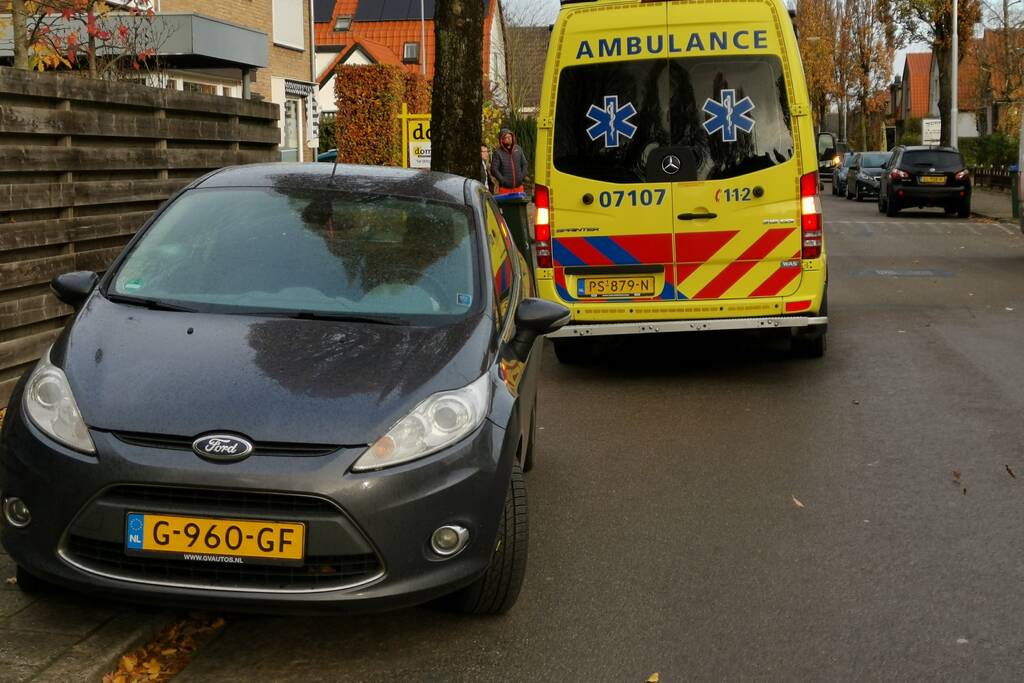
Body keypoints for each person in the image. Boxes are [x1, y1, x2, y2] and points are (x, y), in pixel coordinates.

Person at [490, 128, 528, 195]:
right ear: (502, 140)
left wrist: (522, 177)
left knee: (520, 202)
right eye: (506, 137)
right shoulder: (498, 153)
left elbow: (524, 164)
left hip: (519, 188)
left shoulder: (518, 149)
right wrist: (503, 180)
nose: (509, 139)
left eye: (510, 136)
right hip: (505, 189)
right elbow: (494, 169)